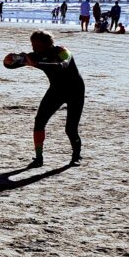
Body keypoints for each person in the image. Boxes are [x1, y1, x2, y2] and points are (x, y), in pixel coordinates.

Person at [21, 30, 85, 168]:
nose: (33, 48)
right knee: (39, 121)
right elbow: (10, 63)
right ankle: (38, 158)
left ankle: (76, 156)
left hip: (75, 91)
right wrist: (16, 59)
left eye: (36, 44)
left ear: (47, 43)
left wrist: (36, 64)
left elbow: (63, 65)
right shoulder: (35, 56)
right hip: (56, 90)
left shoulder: (62, 51)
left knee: (70, 129)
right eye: (32, 44)